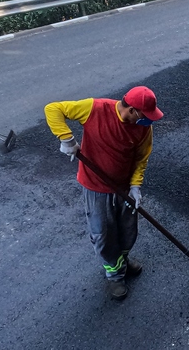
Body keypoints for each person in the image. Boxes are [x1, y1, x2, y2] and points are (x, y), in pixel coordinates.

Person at [44, 86, 163, 301]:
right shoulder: (95, 108)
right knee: (104, 233)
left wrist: (136, 186)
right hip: (95, 186)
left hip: (124, 187)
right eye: (145, 117)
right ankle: (114, 274)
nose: (148, 122)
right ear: (133, 110)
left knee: (128, 230)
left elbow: (141, 158)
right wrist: (66, 138)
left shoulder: (144, 128)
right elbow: (53, 109)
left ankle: (123, 261)